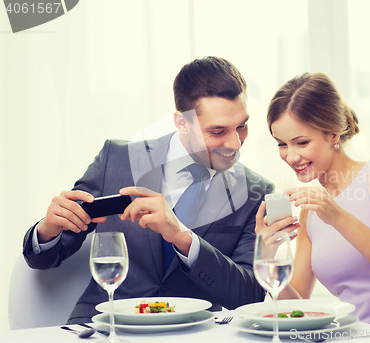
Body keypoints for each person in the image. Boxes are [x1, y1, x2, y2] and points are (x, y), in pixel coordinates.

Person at [22, 56, 282, 324]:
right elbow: (45, 259)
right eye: (218, 131)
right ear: (182, 122)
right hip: (103, 328)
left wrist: (184, 238)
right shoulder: (117, 159)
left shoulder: (256, 191)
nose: (235, 143)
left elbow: (248, 296)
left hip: (192, 333)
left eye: (242, 126)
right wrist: (47, 230)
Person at [256, 72, 370, 340]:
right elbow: (295, 307)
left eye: (302, 142)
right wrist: (265, 254)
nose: (291, 156)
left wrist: (337, 216)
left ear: (333, 133)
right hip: (350, 336)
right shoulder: (310, 210)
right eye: (282, 144)